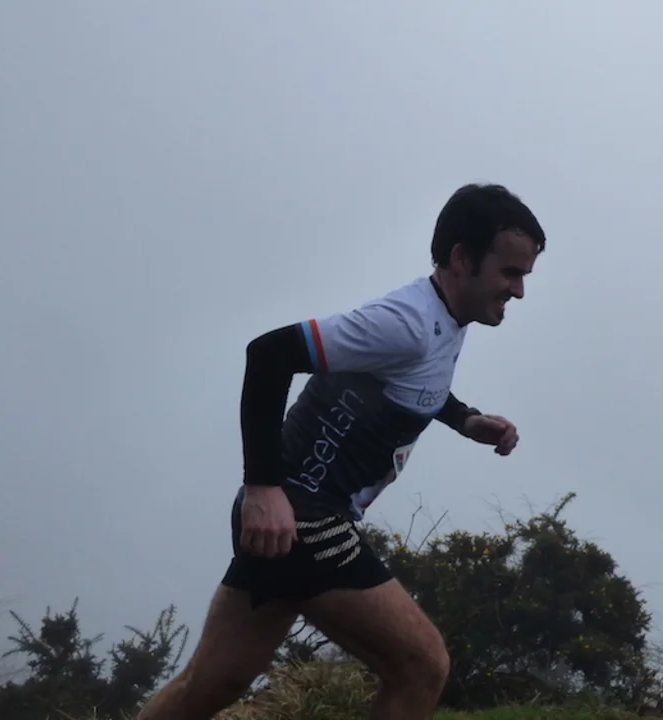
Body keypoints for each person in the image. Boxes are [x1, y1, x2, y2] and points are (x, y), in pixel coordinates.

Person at [135, 182, 546, 720]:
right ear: (461, 258)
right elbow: (268, 354)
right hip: (304, 518)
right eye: (510, 273)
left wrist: (465, 419)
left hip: (291, 523)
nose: (519, 290)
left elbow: (414, 383)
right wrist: (262, 487)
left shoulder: (444, 319)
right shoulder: (405, 323)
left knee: (210, 685)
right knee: (422, 666)